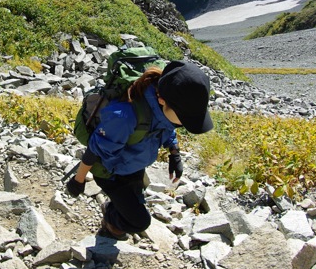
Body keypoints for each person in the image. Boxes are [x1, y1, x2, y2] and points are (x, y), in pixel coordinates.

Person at [66, 60, 213, 240]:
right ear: (161, 100)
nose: (185, 123)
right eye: (184, 118)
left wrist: (174, 153)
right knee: (139, 222)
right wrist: (78, 180)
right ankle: (110, 221)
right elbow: (95, 148)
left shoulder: (166, 107)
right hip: (110, 173)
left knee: (135, 198)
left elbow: (167, 127)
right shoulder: (125, 116)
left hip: (133, 164)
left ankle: (115, 208)